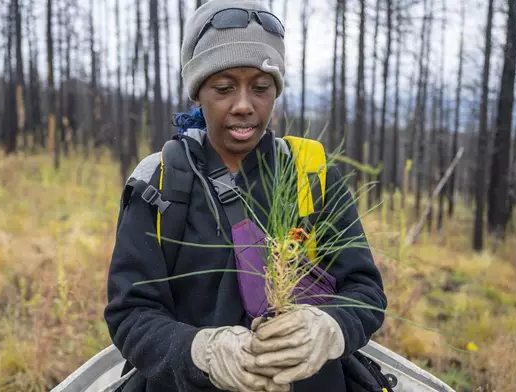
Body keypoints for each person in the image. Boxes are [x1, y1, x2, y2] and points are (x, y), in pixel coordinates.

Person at [103, 0, 388, 391]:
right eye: (223, 88)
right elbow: (131, 313)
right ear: (198, 93)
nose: (243, 105)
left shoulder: (311, 176)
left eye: (260, 88)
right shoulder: (161, 183)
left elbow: (366, 291)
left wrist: (329, 327)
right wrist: (200, 350)